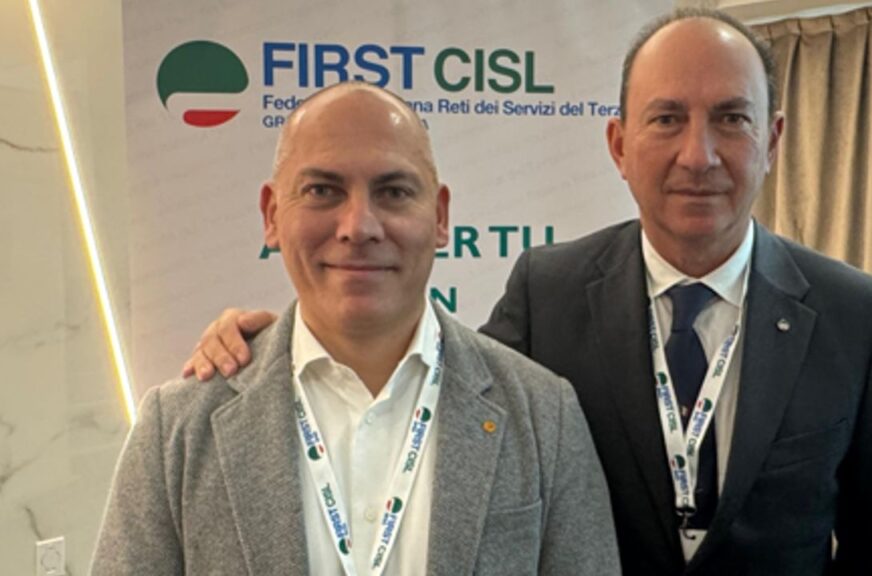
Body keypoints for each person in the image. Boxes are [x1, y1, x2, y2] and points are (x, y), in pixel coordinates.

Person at [182, 9, 872, 575]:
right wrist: (285, 341)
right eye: (667, 119)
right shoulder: (550, 291)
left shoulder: (858, 318)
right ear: (619, 145)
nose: (697, 154)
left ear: (773, 140)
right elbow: (437, 383)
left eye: (731, 119)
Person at [92, 82, 620, 576]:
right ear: (272, 215)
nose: (359, 227)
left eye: (393, 192)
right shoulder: (177, 429)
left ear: (440, 218)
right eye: (322, 190)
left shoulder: (543, 416)